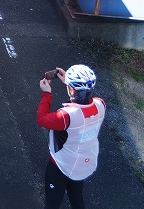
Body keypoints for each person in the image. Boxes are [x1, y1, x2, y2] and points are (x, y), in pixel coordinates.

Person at [37, 64, 106, 209]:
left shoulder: (65, 116)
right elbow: (82, 103)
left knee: (52, 203)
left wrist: (46, 94)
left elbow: (41, 119)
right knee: (76, 196)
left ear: (72, 89)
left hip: (61, 166)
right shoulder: (101, 105)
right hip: (85, 164)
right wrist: (68, 84)